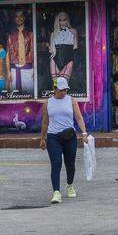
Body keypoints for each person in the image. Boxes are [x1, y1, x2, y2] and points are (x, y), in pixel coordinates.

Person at [38, 76, 87, 204]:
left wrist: (84, 133)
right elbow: (44, 122)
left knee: (70, 165)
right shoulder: (47, 103)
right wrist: (42, 138)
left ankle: (69, 185)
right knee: (56, 164)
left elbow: (79, 117)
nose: (64, 92)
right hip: (53, 137)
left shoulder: (71, 100)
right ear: (54, 89)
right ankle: (56, 192)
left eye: (65, 89)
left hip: (70, 137)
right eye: (61, 90)